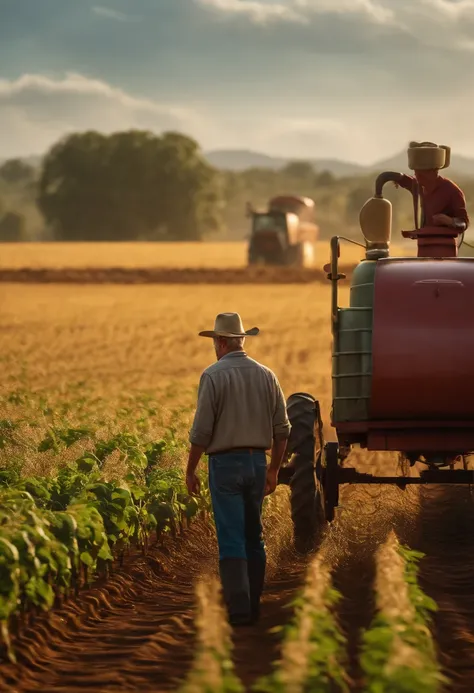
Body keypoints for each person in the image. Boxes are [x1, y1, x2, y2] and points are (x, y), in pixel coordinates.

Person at [186, 312, 290, 627]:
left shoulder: (213, 376)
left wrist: (190, 469)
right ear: (242, 340)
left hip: (224, 465)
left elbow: (202, 431)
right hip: (257, 463)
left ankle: (239, 608)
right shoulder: (267, 375)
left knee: (231, 537)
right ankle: (254, 602)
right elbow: (282, 429)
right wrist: (273, 470)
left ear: (220, 342)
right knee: (253, 536)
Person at [393, 141, 469, 231]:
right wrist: (396, 178)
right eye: (415, 174)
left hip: (445, 244)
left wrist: (449, 221)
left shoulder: (452, 191)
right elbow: (406, 180)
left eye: (421, 175)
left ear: (434, 172)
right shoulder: (419, 186)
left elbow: (464, 223)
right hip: (423, 242)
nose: (417, 179)